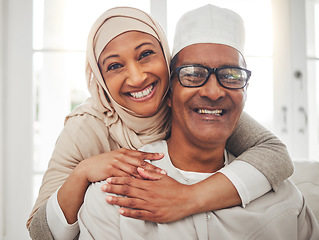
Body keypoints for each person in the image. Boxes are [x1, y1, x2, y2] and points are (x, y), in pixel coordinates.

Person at [27, 6, 294, 240]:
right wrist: (83, 172)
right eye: (114, 66)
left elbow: (274, 154)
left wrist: (188, 198)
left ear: (167, 63)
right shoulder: (87, 126)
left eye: (145, 55)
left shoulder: (198, 106)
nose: (136, 77)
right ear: (100, 79)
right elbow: (40, 232)